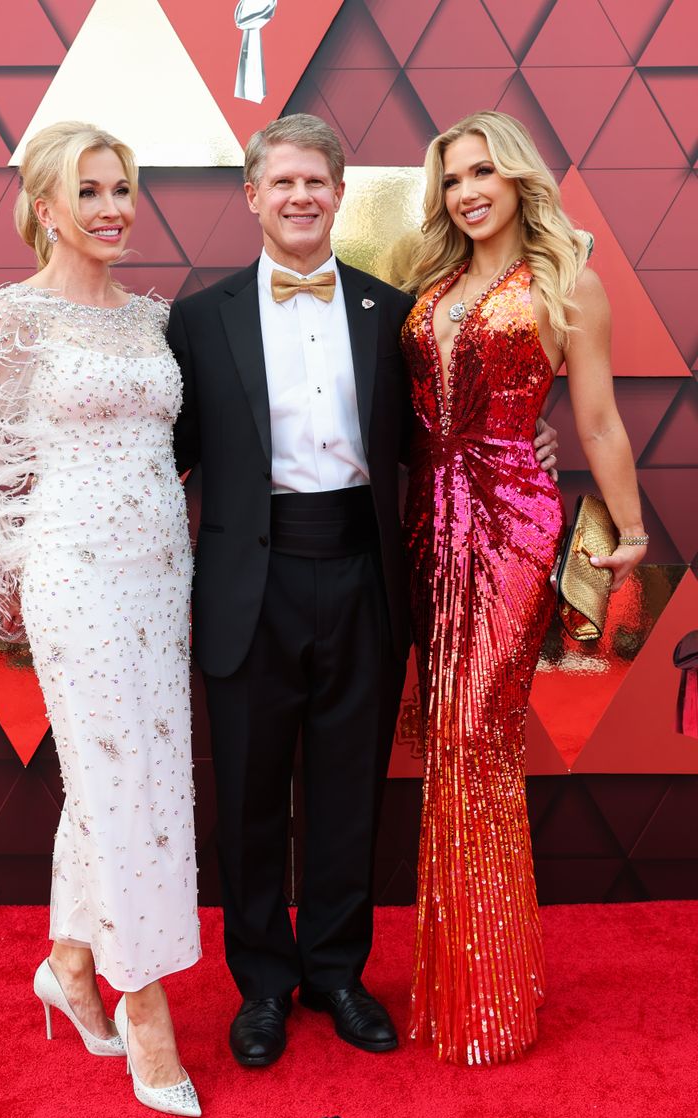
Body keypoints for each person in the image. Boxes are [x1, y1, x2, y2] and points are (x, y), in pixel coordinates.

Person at [167, 113, 558, 1068]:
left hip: (362, 575)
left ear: (341, 196)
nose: (302, 197)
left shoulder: (394, 314)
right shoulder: (197, 317)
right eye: (283, 182)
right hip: (247, 583)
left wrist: (528, 447)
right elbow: (163, 458)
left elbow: (448, 433)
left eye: (318, 182)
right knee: (253, 796)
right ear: (253, 195)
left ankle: (337, 973)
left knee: (348, 792)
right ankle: (261, 985)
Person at [0, 121, 201, 1116]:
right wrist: (1, 587)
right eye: (88, 192)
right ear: (45, 207)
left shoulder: (147, 319)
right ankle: (143, 1007)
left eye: (122, 188)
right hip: (72, 578)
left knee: (125, 781)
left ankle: (70, 965)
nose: (112, 208)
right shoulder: (13, 319)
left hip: (156, 579)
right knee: (118, 778)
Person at [401, 110, 648, 1065]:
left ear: (516, 179)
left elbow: (598, 421)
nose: (467, 190)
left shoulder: (568, 284)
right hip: (426, 522)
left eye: (482, 172)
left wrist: (627, 532)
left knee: (477, 732)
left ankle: (491, 992)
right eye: (453, 177)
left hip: (511, 522)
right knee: (443, 738)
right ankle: (463, 978)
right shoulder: (430, 283)